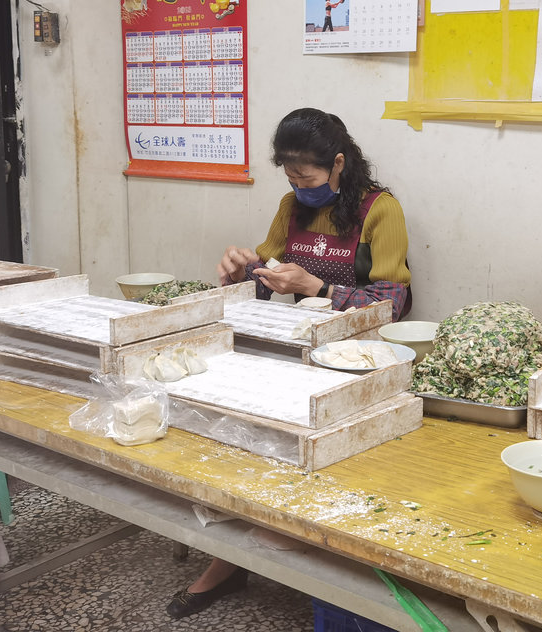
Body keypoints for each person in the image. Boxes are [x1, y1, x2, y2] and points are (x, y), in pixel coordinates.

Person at [166, 107, 412, 619]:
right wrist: (243, 271)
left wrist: (317, 288)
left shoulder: (379, 210)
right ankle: (232, 559)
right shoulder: (291, 207)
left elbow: (397, 299)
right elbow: (265, 275)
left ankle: (316, 561)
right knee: (245, 439)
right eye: (291, 177)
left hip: (357, 358)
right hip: (298, 350)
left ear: (339, 164)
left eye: (309, 176)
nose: (300, 187)